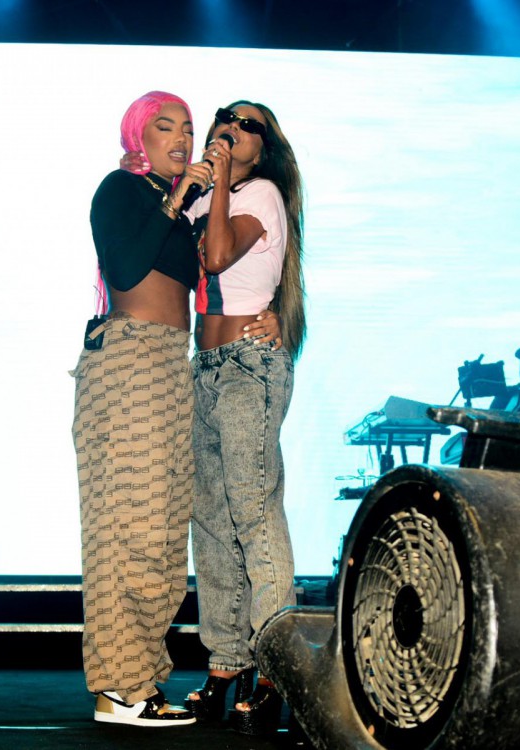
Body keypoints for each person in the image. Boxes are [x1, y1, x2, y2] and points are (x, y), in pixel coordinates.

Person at [72, 91, 281, 728]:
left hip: (173, 365)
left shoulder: (192, 208)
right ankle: (118, 689)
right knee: (125, 531)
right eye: (167, 127)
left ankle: (141, 682)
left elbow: (230, 269)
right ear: (139, 135)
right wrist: (172, 198)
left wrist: (271, 317)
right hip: (128, 359)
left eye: (189, 128)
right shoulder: (121, 191)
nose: (184, 138)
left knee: (164, 535)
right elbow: (128, 264)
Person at [179, 101, 306, 736]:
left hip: (249, 365)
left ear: (266, 146)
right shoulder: (204, 194)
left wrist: (221, 181)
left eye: (248, 123)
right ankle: (226, 662)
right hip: (202, 367)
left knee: (253, 511)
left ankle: (276, 666)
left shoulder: (262, 194)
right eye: (225, 116)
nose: (232, 125)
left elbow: (218, 257)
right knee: (211, 517)